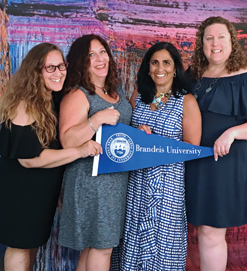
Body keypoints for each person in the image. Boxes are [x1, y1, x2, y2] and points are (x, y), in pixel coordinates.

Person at [0, 43, 102, 271]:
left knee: (32, 245)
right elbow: (29, 159)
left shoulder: (52, 98)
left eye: (61, 66)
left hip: (40, 192)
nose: (59, 73)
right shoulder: (25, 104)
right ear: (36, 71)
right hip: (21, 192)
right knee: (20, 247)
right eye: (51, 68)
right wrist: (80, 150)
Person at [185, 16, 247, 271]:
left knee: (210, 232)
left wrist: (232, 133)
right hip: (194, 162)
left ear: (232, 42)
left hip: (224, 165)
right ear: (202, 44)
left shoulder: (245, 78)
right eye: (209, 38)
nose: (215, 43)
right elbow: (166, 98)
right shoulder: (194, 75)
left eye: (221, 37)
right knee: (197, 230)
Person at [119, 42, 201, 270]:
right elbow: (125, 137)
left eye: (166, 62)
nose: (159, 68)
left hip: (168, 186)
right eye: (154, 62)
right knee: (134, 241)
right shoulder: (138, 95)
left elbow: (192, 148)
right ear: (147, 67)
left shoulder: (186, 101)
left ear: (175, 69)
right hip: (136, 183)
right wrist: (137, 135)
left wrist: (154, 141)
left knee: (163, 245)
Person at [58, 34, 132, 271]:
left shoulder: (115, 90)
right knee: (102, 247)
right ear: (82, 61)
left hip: (115, 181)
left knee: (94, 247)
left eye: (102, 52)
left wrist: (137, 131)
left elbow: (120, 132)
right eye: (91, 55)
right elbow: (67, 140)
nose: (100, 59)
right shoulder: (78, 95)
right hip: (90, 182)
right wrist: (96, 119)